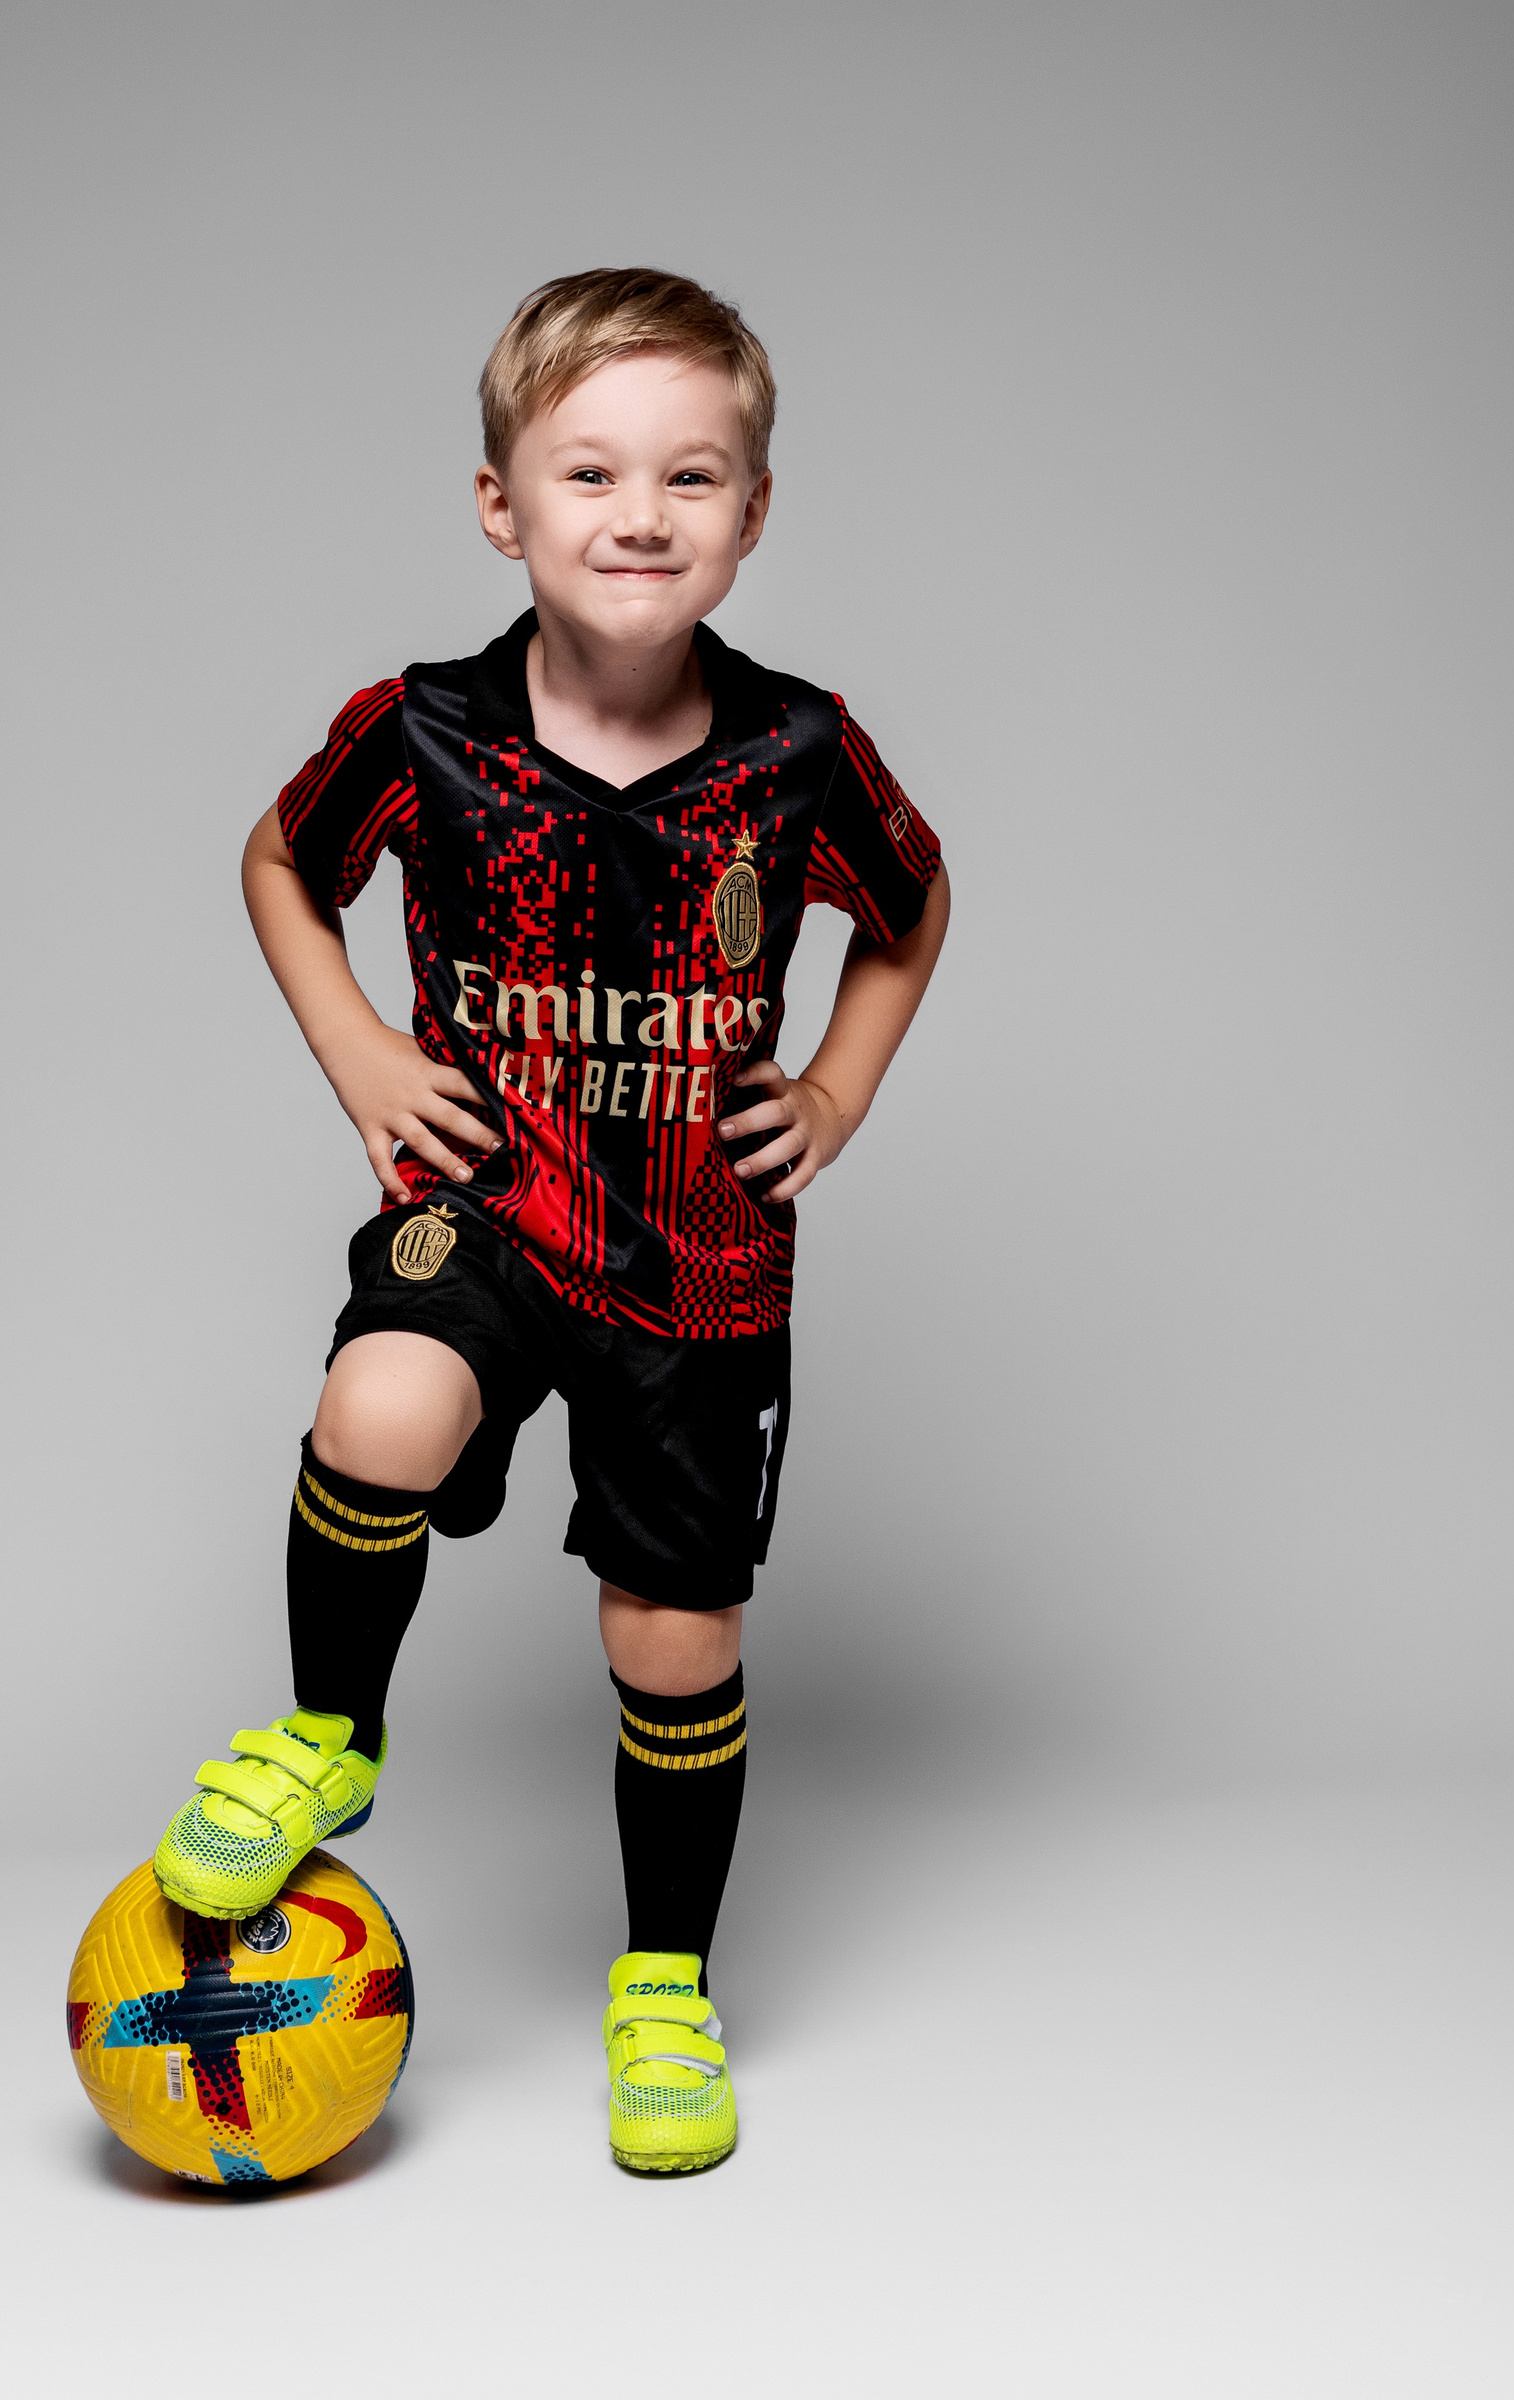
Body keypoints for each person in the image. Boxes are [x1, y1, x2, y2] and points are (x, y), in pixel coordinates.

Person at [151, 267, 949, 2175]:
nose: (641, 514)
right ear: (502, 506)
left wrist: (835, 1096)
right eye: (590, 472)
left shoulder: (798, 753)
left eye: (692, 476)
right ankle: (333, 1732)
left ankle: (664, 1983)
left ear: (754, 513)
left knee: (670, 1638)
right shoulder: (423, 728)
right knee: (381, 1408)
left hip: (698, 1266)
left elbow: (912, 904)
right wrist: (359, 1048)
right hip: (490, 1205)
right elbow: (278, 860)